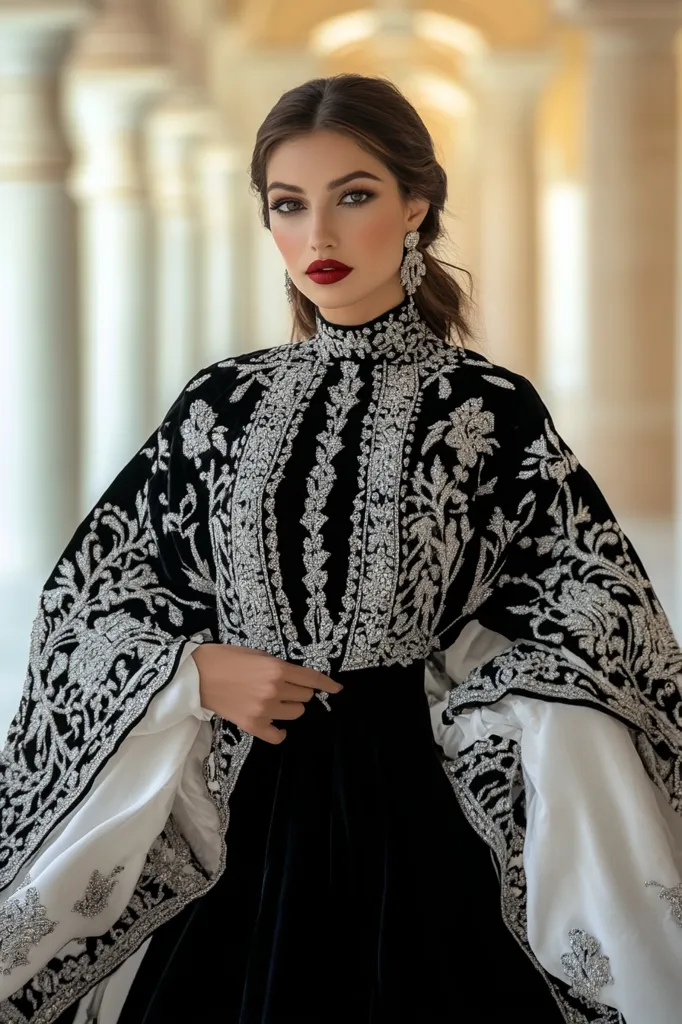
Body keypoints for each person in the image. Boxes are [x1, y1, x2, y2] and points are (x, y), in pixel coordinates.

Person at [0, 73, 680, 1024]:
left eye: (353, 196)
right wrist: (192, 671)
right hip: (238, 813)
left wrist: (486, 696)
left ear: (416, 204)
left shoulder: (488, 408)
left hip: (421, 810)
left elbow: (599, 608)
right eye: (288, 205)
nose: (317, 237)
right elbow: (92, 597)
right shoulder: (218, 406)